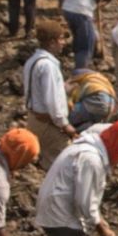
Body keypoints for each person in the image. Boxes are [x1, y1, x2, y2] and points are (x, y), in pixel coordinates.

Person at [24, 20, 79, 169]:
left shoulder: (33, 61)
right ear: (52, 42)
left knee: (47, 161)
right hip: (47, 123)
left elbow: (41, 91)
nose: (63, 43)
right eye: (61, 39)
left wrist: (64, 88)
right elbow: (52, 101)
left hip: (34, 119)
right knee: (63, 164)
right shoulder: (48, 66)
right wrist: (65, 125)